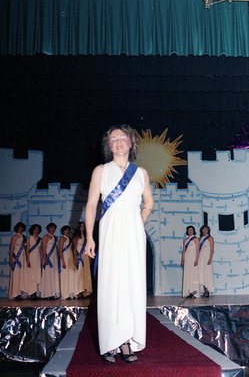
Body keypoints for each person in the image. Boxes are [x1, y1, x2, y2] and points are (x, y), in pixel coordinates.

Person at [85, 124, 154, 364]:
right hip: (110, 232)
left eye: (122, 137)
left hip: (133, 235)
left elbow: (149, 204)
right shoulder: (101, 171)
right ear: (109, 145)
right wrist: (90, 237)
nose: (118, 142)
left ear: (131, 142)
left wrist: (138, 222)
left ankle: (127, 341)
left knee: (131, 284)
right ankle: (111, 342)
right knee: (110, 284)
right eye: (113, 139)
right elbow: (92, 205)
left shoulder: (141, 173)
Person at [40, 222, 60, 299]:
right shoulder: (45, 237)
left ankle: (52, 293)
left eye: (54, 228)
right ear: (48, 229)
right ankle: (46, 294)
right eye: (51, 228)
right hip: (48, 258)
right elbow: (43, 249)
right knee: (47, 275)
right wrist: (44, 258)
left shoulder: (55, 237)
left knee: (53, 275)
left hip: (54, 258)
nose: (52, 230)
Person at [73, 221, 92, 298]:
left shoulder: (86, 236)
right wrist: (75, 259)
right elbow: (74, 249)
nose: (82, 228)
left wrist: (89, 258)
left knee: (85, 274)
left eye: (83, 226)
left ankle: (85, 290)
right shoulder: (76, 237)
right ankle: (79, 291)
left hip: (85, 256)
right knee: (79, 274)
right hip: (79, 256)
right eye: (81, 226)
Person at [8, 222, 28, 299]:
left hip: (22, 258)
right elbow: (12, 248)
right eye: (19, 227)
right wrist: (10, 258)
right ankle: (16, 294)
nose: (20, 229)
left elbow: (25, 249)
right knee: (16, 275)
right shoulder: (14, 237)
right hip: (16, 258)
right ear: (17, 228)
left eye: (22, 227)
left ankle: (20, 292)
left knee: (22, 276)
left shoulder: (24, 237)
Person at [181, 225, 200, 298]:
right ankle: (188, 292)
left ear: (194, 231)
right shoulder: (185, 240)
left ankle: (194, 292)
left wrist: (196, 259)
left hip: (193, 259)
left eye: (191, 230)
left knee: (194, 274)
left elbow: (198, 250)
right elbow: (184, 251)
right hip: (187, 259)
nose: (190, 231)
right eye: (189, 230)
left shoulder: (196, 239)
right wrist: (182, 260)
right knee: (187, 275)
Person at [26, 224, 42, 299]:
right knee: (31, 275)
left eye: (38, 229)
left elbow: (41, 250)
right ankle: (31, 293)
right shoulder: (29, 239)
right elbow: (27, 251)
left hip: (38, 257)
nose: (36, 230)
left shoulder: (40, 239)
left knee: (37, 275)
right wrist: (27, 260)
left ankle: (36, 292)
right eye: (35, 229)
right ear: (32, 230)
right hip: (31, 257)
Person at [59, 225, 75, 299]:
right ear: (63, 231)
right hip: (64, 258)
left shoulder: (69, 238)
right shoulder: (62, 238)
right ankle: (65, 294)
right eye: (66, 230)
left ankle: (70, 293)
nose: (67, 231)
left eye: (68, 230)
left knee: (70, 276)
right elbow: (60, 251)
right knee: (64, 276)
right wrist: (62, 261)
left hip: (70, 258)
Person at [199, 225, 215, 297]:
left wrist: (210, 258)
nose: (205, 231)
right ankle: (203, 289)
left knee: (207, 273)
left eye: (206, 229)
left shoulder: (210, 238)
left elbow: (212, 249)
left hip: (207, 257)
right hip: (201, 257)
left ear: (208, 230)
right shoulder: (200, 239)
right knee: (201, 273)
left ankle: (207, 290)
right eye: (203, 229)